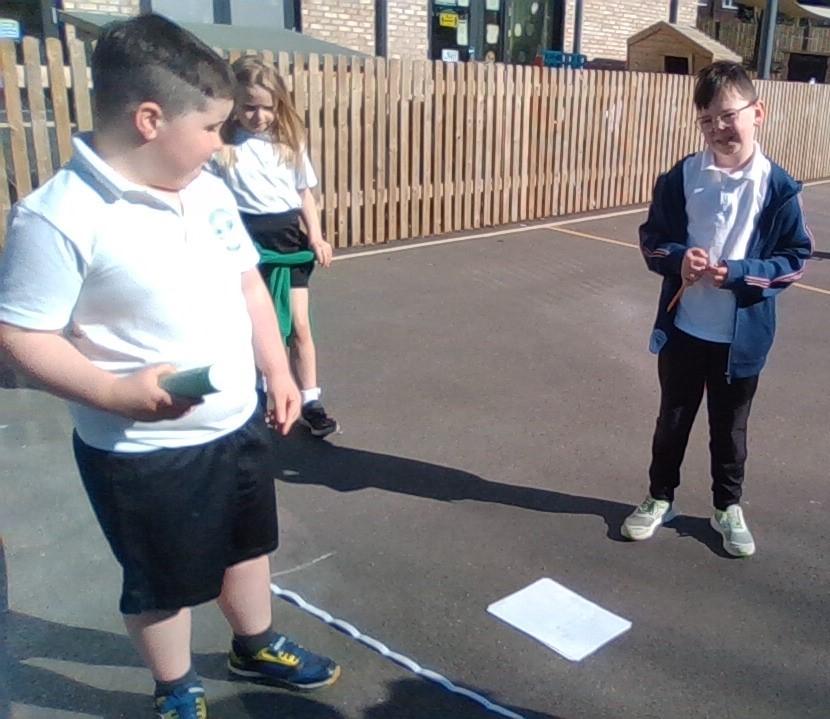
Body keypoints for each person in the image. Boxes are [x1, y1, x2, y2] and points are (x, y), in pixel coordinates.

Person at [0, 15, 340, 718]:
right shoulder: (57, 217)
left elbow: (248, 284)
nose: (223, 143)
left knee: (247, 549)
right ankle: (177, 686)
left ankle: (255, 644)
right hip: (142, 452)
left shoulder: (207, 189)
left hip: (236, 423)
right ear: (150, 119)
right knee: (162, 582)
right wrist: (114, 392)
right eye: (212, 127)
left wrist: (277, 372)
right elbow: (20, 335)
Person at [621, 61, 812, 557]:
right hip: (685, 329)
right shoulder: (683, 177)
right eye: (707, 120)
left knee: (730, 432)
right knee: (672, 421)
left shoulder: (778, 187)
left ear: (757, 113)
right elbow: (652, 240)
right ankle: (659, 498)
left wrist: (743, 273)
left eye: (728, 116)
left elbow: (794, 258)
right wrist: (679, 258)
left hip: (740, 341)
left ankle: (727, 507)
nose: (718, 129)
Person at [210, 57, 338, 439]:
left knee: (299, 325)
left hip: (288, 243)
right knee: (254, 326)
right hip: (247, 244)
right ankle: (259, 395)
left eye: (268, 107)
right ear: (234, 104)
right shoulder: (223, 147)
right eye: (249, 106)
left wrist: (316, 236)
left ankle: (310, 399)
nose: (259, 116)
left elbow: (304, 193)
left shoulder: (289, 144)